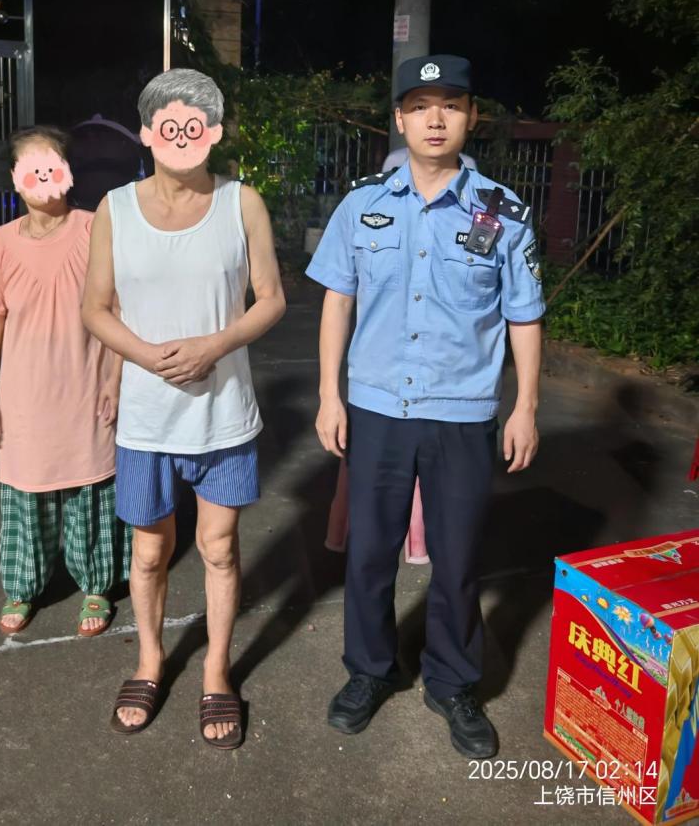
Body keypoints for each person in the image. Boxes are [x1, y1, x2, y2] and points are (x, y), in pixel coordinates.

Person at [306, 55, 544, 758]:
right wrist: (329, 394)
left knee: (458, 557)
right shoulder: (362, 206)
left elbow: (524, 315)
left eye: (451, 104)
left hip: (463, 410)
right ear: (400, 119)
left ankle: (453, 682)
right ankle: (369, 671)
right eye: (420, 105)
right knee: (369, 553)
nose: (435, 118)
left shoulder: (502, 212)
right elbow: (337, 303)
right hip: (377, 407)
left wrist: (526, 406)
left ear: (471, 117)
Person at [82, 68, 286, 748]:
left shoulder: (242, 203)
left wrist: (215, 345)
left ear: (214, 132)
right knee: (149, 553)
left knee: (219, 548)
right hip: (147, 418)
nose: (180, 135)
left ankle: (217, 671)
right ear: (146, 134)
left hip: (223, 412)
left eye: (194, 124)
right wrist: (144, 356)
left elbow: (271, 298)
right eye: (167, 124)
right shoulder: (115, 208)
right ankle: (149, 660)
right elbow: (95, 308)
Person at [0, 125, 130, 637]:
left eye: (52, 166)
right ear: (15, 178)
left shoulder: (94, 229)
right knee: (26, 492)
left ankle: (97, 585)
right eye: (31, 168)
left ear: (67, 172)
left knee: (91, 491)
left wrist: (114, 380)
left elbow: (120, 309)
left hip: (86, 391)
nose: (42, 177)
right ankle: (23, 586)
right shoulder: (0, 242)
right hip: (24, 398)